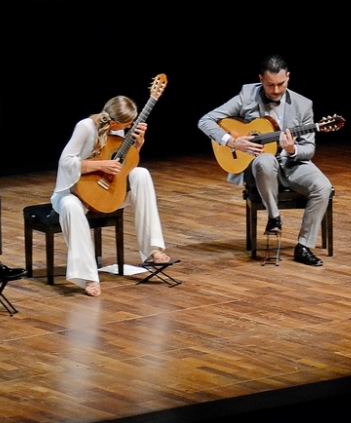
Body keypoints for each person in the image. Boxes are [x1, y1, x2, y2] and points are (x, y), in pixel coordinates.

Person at [198, 54, 333, 266]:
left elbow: (309, 149)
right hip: (261, 166)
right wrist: (232, 142)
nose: (276, 90)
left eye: (281, 84)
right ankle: (274, 216)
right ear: (261, 79)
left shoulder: (303, 104)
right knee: (265, 160)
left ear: (288, 77)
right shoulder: (246, 96)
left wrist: (292, 148)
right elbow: (205, 121)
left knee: (323, 187)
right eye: (270, 85)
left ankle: (304, 246)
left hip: (292, 163)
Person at [51, 95, 170, 296]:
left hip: (106, 191)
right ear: (114, 122)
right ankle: (87, 276)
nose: (131, 125)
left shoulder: (117, 130)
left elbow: (123, 162)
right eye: (128, 123)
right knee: (70, 205)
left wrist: (138, 145)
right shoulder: (85, 127)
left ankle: (152, 249)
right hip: (74, 192)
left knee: (141, 174)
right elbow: (66, 163)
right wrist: (100, 165)